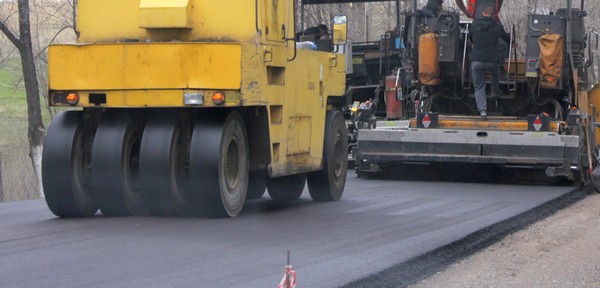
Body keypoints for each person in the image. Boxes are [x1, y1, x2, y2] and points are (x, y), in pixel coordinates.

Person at [469, 6, 510, 120]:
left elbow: (470, 37)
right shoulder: (497, 25)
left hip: (477, 60)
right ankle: (494, 93)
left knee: (479, 87)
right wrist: (513, 43)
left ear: (483, 13)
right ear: (494, 15)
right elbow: (505, 38)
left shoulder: (475, 23)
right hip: (492, 61)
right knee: (495, 73)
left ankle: (483, 112)